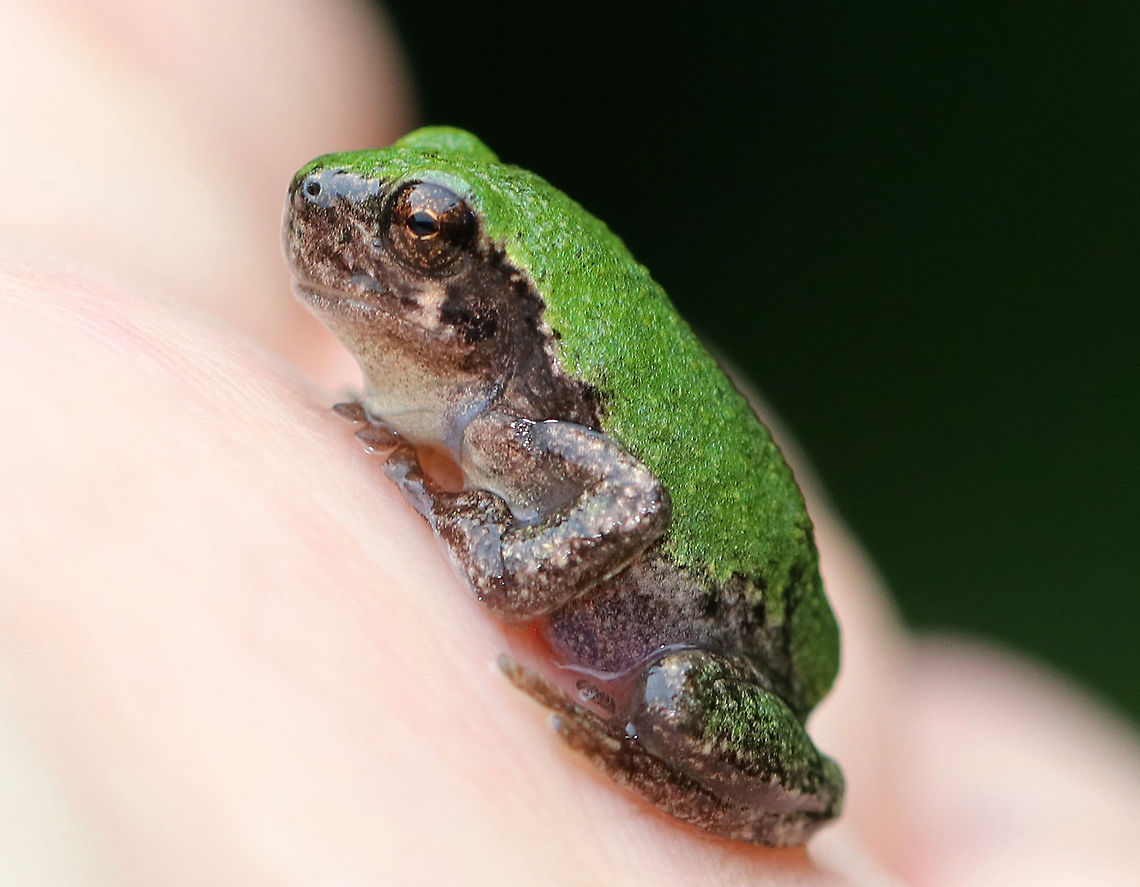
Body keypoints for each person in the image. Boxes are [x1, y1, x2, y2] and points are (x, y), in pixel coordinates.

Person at [1, 2, 1137, 883]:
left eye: (424, 231)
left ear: (498, 297)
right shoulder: (484, 399)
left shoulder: (525, 411)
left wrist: (490, 546)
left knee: (684, 699)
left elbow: (635, 499)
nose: (344, 211)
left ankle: (655, 750)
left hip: (723, 645)